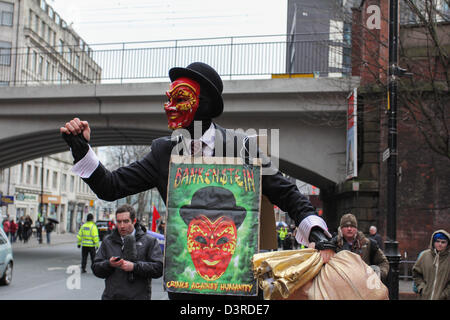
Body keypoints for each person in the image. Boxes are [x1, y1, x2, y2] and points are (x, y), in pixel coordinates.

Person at [60, 62, 335, 299]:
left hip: (237, 290)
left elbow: (286, 192)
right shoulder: (163, 153)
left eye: (179, 99)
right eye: (168, 98)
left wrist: (316, 231)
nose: (169, 107)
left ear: (203, 103)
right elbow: (112, 187)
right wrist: (81, 150)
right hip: (186, 290)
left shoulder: (241, 147)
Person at [92, 204, 163, 300]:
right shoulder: (108, 241)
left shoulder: (149, 241)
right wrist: (109, 264)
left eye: (126, 221)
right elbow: (96, 268)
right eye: (119, 221)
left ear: (134, 221)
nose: (122, 226)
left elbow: (158, 269)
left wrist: (134, 267)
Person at [331, 213, 389, 281]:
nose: (349, 229)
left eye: (352, 226)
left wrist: (376, 275)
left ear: (356, 228)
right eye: (346, 226)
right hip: (340, 287)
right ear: (341, 229)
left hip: (363, 287)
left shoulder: (368, 244)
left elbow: (383, 262)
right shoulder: (333, 245)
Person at [412, 230, 449, 300]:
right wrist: (421, 287)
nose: (440, 244)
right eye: (437, 241)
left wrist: (445, 294)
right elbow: (416, 273)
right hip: (424, 297)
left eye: (443, 242)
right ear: (433, 242)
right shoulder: (424, 255)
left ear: (447, 243)